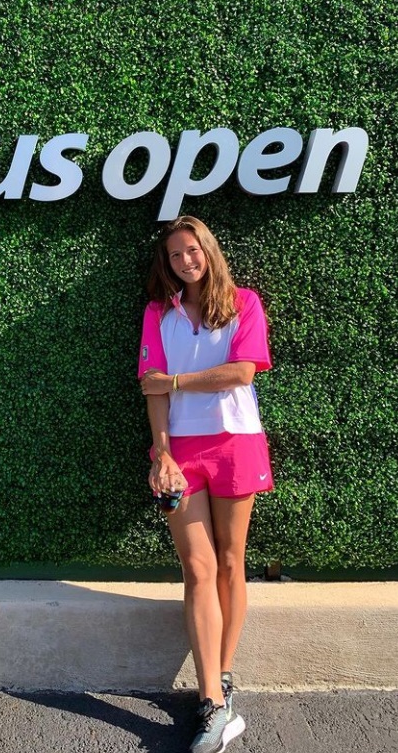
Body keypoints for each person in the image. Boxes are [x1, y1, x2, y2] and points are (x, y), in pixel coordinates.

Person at [138, 215, 273, 753]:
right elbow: (152, 389)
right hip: (181, 455)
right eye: (175, 255)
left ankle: (223, 675)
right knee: (198, 568)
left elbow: (242, 372)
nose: (184, 261)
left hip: (237, 443)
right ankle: (212, 701)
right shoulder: (158, 312)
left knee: (231, 561)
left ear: (208, 250)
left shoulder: (244, 303)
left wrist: (175, 380)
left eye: (191, 250)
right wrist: (162, 453)